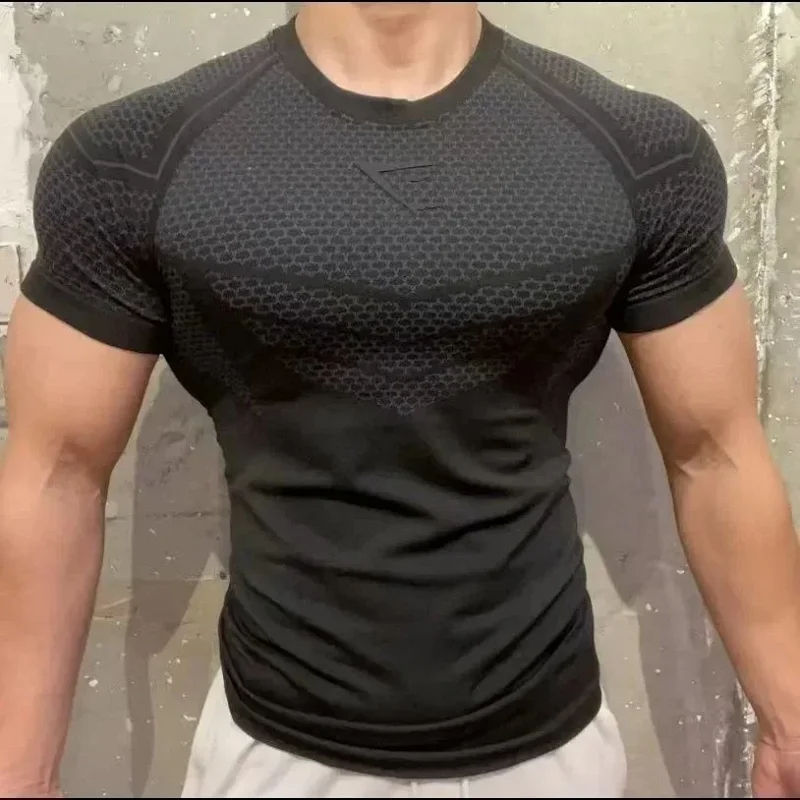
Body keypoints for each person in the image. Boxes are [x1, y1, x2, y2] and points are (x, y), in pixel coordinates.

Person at [0, 2, 799, 797]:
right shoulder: (131, 162)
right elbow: (56, 473)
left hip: (550, 749)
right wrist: (19, 771)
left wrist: (791, 722)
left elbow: (716, 452)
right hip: (276, 749)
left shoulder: (640, 152)